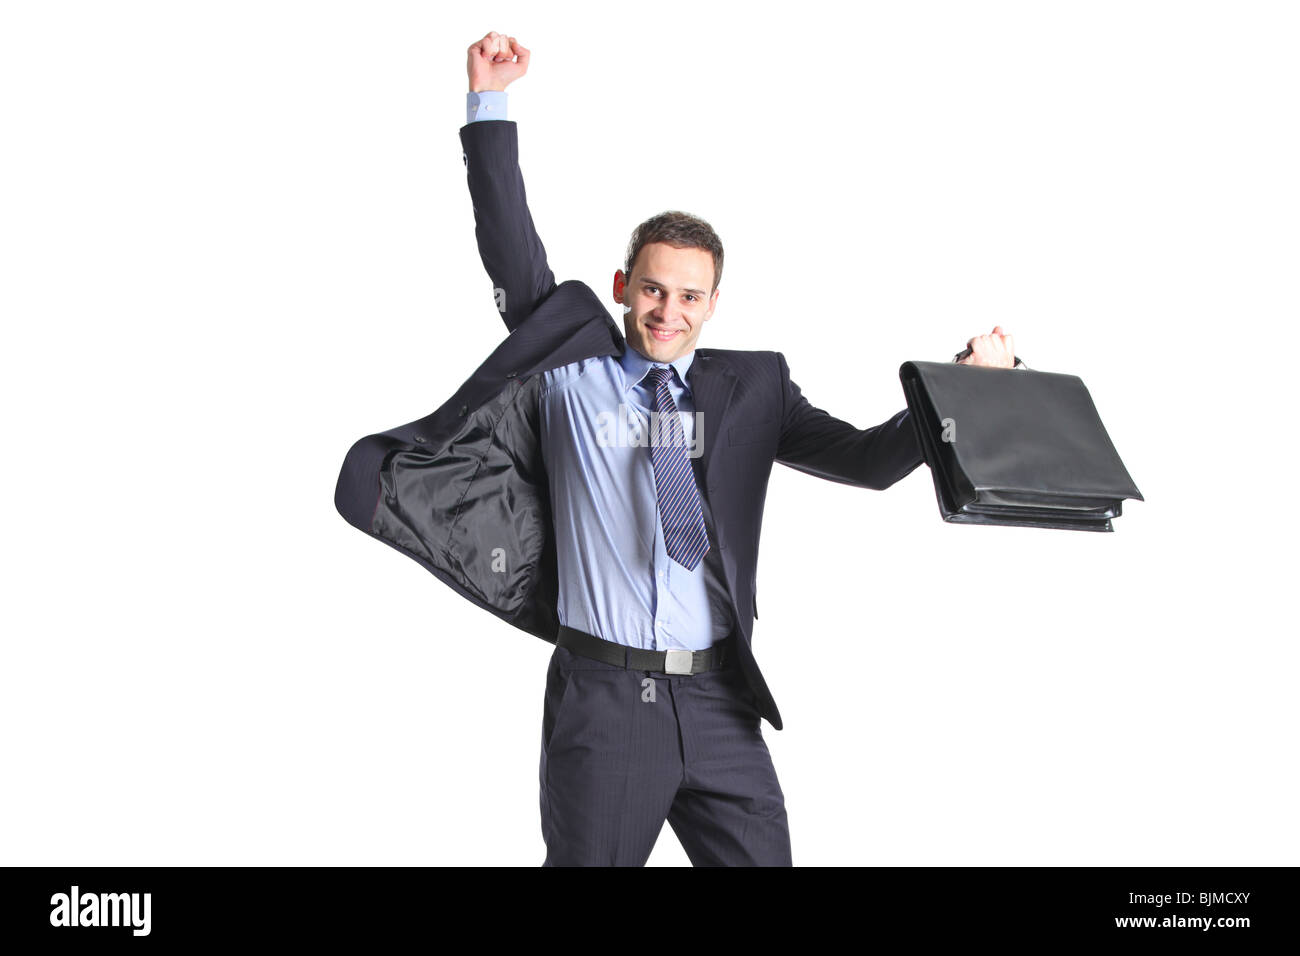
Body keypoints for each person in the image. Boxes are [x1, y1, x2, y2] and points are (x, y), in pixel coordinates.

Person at [336, 30, 1022, 866]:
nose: (669, 311)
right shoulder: (572, 364)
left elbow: (870, 462)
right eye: (653, 288)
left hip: (718, 702)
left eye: (689, 295)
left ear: (713, 303)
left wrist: (964, 388)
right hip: (605, 697)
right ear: (625, 287)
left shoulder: (754, 387)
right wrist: (490, 102)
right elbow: (511, 244)